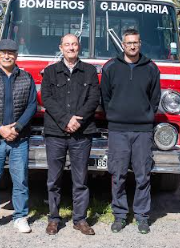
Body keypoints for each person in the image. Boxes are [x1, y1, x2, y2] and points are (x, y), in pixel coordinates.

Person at [100, 28, 161, 234]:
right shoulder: (110, 67)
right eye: (128, 43)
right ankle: (119, 215)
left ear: (140, 44)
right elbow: (105, 98)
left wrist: (146, 117)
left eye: (135, 42)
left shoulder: (151, 68)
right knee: (118, 174)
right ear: (123, 45)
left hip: (143, 131)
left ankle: (142, 216)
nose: (132, 46)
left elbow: (155, 99)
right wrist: (115, 115)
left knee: (143, 175)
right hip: (118, 130)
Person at [40, 34, 100, 236]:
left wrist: (78, 120)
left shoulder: (90, 71)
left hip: (82, 133)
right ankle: (54, 219)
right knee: (53, 179)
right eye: (67, 44)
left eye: (74, 44)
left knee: (80, 179)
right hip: (56, 133)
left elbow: (93, 99)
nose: (71, 48)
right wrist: (66, 120)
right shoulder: (49, 72)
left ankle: (80, 219)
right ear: (61, 48)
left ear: (79, 47)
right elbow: (47, 99)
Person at [0, 39, 37, 234]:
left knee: (20, 180)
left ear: (16, 55)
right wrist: (0, 128)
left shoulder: (26, 78)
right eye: (3, 52)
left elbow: (31, 106)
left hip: (19, 139)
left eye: (10, 52)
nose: (6, 55)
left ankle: (20, 217)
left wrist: (17, 128)